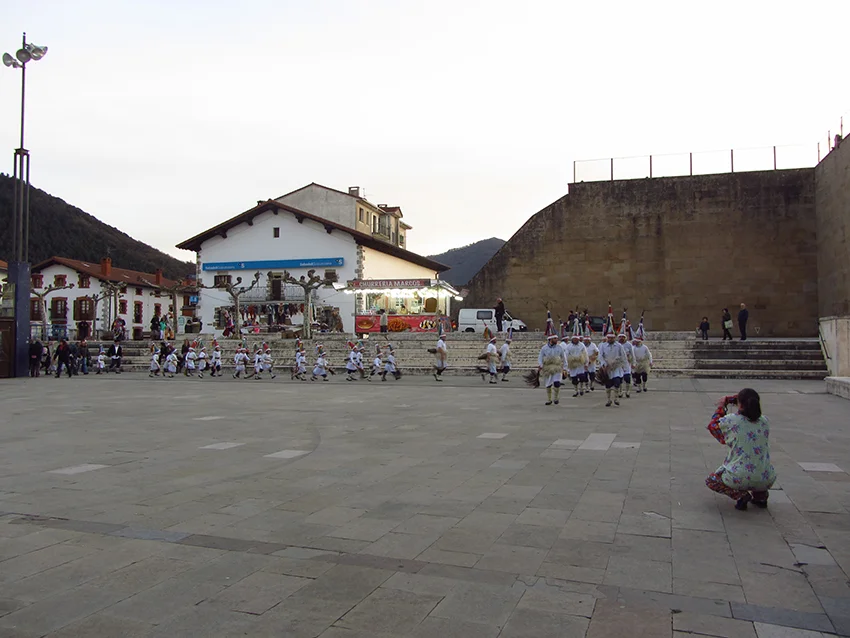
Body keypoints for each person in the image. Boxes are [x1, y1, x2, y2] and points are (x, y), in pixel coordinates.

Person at [706, 388, 775, 510]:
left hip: (739, 477)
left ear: (741, 405)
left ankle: (741, 495)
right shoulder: (765, 421)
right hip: (766, 478)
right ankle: (761, 496)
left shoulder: (732, 421)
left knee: (712, 481)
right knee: (756, 472)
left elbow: (713, 426)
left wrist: (722, 406)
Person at [538, 332, 568, 406]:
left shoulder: (559, 348)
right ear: (550, 339)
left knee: (557, 383)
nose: (556, 340)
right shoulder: (544, 348)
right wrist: (541, 365)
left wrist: (565, 368)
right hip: (547, 368)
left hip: (557, 368)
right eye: (555, 338)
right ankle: (549, 399)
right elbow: (540, 357)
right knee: (548, 384)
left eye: (557, 338)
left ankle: (556, 398)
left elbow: (564, 358)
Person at [598, 328, 626, 407]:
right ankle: (609, 399)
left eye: (612, 338)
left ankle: (616, 398)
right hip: (607, 368)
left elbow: (623, 356)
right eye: (609, 338)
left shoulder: (619, 346)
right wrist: (604, 364)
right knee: (608, 385)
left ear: (614, 338)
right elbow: (600, 356)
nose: (610, 339)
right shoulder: (603, 346)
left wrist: (623, 366)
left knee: (617, 382)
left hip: (616, 367)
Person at [564, 332, 589, 397]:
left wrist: (586, 363)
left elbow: (585, 354)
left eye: (577, 339)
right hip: (572, 364)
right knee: (574, 378)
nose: (575, 340)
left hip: (580, 363)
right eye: (574, 339)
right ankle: (576, 390)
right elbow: (566, 355)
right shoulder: (569, 346)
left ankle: (581, 388)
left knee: (581, 377)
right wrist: (566, 365)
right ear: (572, 339)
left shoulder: (582, 345)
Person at [617, 332, 635, 398]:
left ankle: (627, 391)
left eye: (623, 337)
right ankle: (620, 391)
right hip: (618, 364)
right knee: (619, 379)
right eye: (620, 337)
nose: (621, 338)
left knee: (627, 378)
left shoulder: (629, 345)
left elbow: (632, 354)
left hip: (626, 363)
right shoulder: (616, 345)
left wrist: (633, 363)